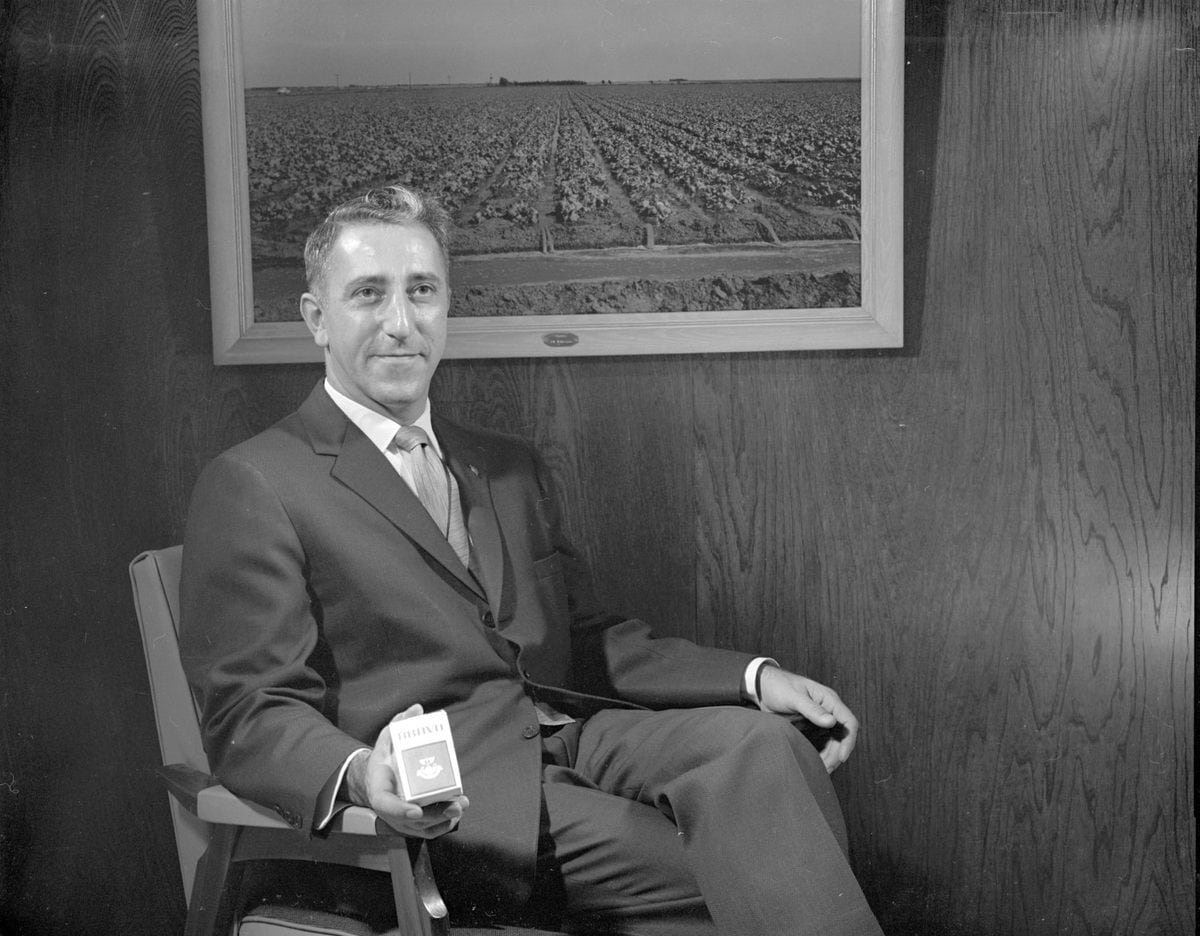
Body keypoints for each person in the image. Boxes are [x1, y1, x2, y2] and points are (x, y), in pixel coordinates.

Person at [179, 184, 884, 936]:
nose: (400, 323)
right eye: (367, 295)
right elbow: (250, 713)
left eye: (422, 292)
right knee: (759, 861)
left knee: (766, 746)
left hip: (571, 737)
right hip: (456, 804)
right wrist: (361, 777)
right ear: (317, 319)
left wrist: (756, 679)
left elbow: (584, 636)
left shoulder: (503, 464)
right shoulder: (256, 481)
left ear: (447, 305)